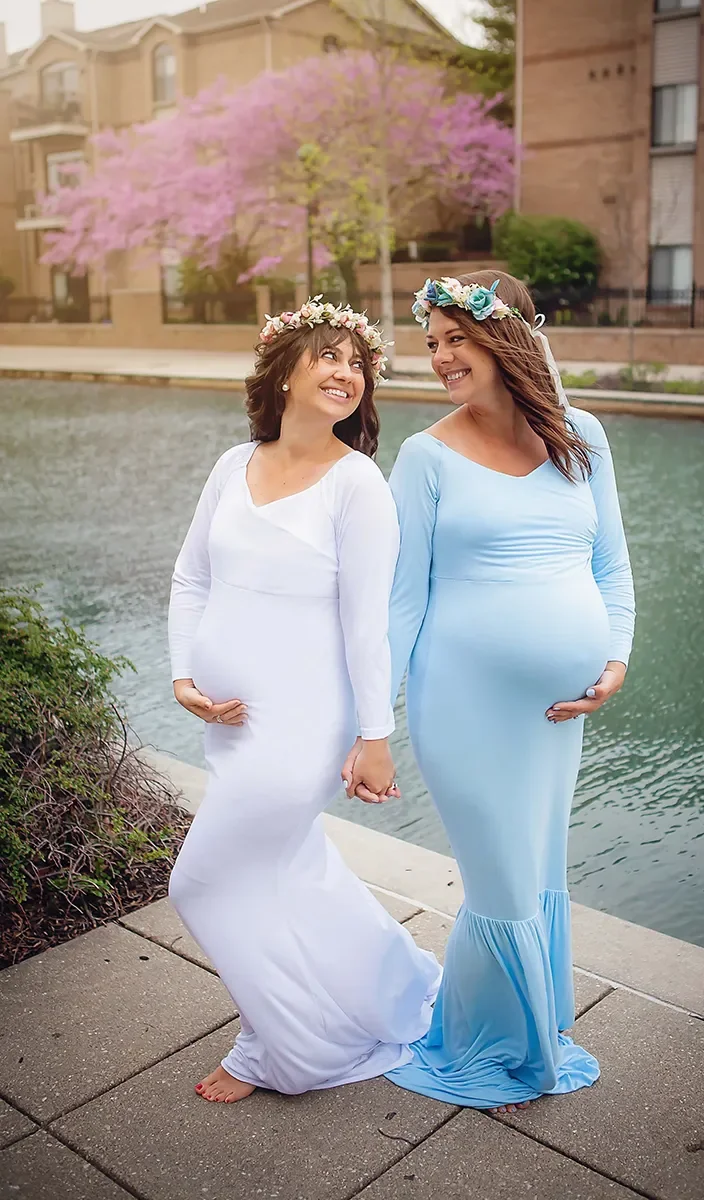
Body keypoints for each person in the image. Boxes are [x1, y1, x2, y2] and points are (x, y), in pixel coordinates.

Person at [346, 271, 634, 1113]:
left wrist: (615, 657)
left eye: (452, 338)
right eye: (430, 342)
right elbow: (400, 602)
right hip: (462, 706)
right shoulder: (426, 457)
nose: (437, 357)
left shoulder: (583, 435)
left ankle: (520, 1029)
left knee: (538, 866)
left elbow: (611, 564)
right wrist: (374, 726)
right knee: (502, 879)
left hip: (558, 715)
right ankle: (504, 1049)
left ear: (503, 337)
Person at [168, 298, 440, 1104]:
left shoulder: (358, 487)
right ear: (283, 371)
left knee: (200, 885)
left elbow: (367, 626)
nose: (344, 372)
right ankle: (393, 984)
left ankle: (277, 1044)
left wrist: (375, 735)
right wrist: (184, 674)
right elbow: (192, 577)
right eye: (327, 355)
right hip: (232, 726)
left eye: (357, 362)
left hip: (302, 732)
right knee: (289, 869)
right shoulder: (232, 464)